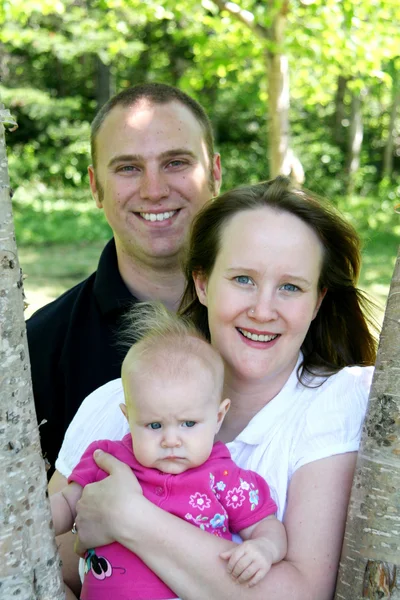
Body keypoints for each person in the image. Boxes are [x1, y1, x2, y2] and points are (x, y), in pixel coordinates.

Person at [52, 176, 377, 600]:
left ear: (317, 302)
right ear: (202, 283)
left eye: (291, 287)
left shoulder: (334, 403)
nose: (263, 310)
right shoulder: (114, 401)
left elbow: (299, 593)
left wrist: (130, 519)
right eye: (243, 279)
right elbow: (35, 554)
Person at [26, 82, 222, 475]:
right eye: (129, 168)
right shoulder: (39, 348)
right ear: (95, 186)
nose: (154, 190)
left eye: (176, 163)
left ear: (215, 173)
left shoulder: (274, 322)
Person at [50, 303, 286, 599]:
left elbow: (266, 525)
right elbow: (68, 504)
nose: (171, 440)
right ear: (128, 418)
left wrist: (264, 548)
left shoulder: (225, 477)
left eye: (188, 423)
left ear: (218, 417)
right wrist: (33, 521)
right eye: (154, 425)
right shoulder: (107, 461)